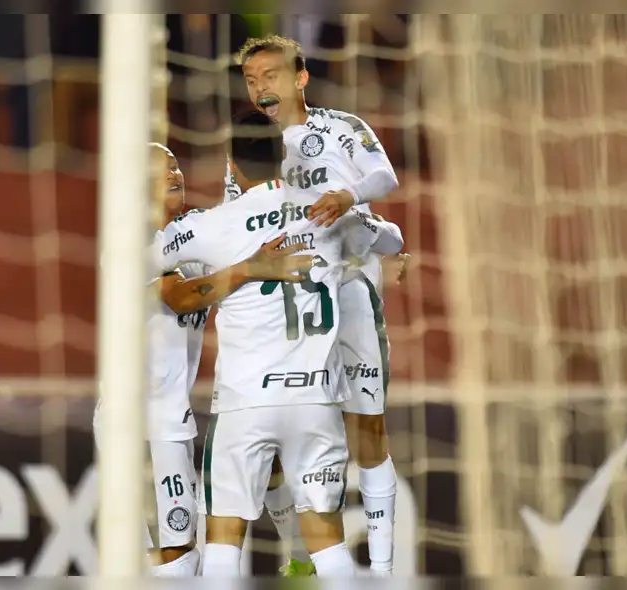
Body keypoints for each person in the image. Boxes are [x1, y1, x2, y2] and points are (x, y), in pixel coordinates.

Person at [154, 110, 404, 578]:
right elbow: (388, 238)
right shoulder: (327, 212)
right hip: (315, 400)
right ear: (285, 158)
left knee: (224, 541)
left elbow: (145, 253)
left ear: (231, 166)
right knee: (328, 545)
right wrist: (386, 243)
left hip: (244, 404)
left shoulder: (212, 225)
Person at [224, 34, 408, 577]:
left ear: (300, 77)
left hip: (347, 295)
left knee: (367, 430)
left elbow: (385, 177)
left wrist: (351, 202)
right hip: (283, 305)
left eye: (271, 76)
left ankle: (382, 570)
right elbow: (237, 217)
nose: (261, 88)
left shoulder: (341, 128)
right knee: (278, 440)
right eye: (252, 80)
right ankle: (300, 557)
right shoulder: (249, 143)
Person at [94, 143, 311, 577]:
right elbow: (180, 297)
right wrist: (250, 268)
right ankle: (304, 563)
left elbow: (242, 235)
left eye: (175, 164)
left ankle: (303, 563)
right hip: (128, 421)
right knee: (162, 559)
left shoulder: (196, 234)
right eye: (159, 169)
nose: (174, 174)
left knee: (263, 470)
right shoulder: (127, 244)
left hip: (170, 419)